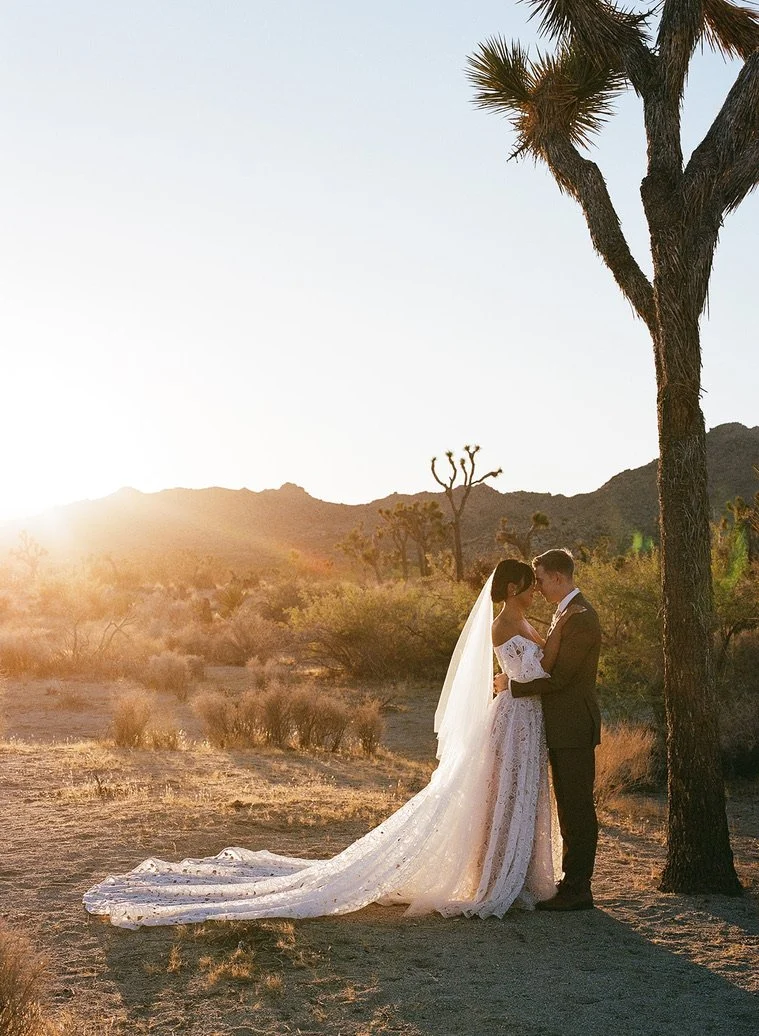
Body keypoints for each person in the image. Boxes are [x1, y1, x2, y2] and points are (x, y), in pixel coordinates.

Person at [83, 561, 575, 929]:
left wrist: (513, 678)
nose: (535, 591)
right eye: (529, 585)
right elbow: (528, 673)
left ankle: (513, 874)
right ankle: (494, 879)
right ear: (512, 588)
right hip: (515, 719)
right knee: (499, 795)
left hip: (525, 717)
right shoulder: (503, 623)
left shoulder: (526, 623)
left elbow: (523, 669)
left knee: (517, 795)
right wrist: (516, 682)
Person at [497, 548, 602, 911]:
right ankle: (571, 883)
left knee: (577, 808)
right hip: (559, 727)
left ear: (558, 577)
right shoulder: (566, 613)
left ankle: (578, 889)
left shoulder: (583, 617)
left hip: (573, 726)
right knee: (569, 806)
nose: (537, 587)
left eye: (540, 579)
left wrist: (512, 688)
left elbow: (561, 678)